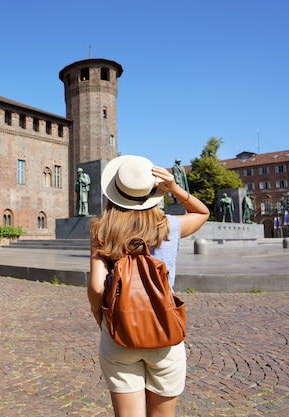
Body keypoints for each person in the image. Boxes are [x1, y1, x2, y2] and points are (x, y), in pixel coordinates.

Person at [87, 155, 209, 417]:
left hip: (120, 331)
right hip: (164, 331)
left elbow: (97, 286)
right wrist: (175, 188)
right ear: (152, 193)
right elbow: (202, 212)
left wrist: (101, 319)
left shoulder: (102, 231)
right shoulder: (170, 227)